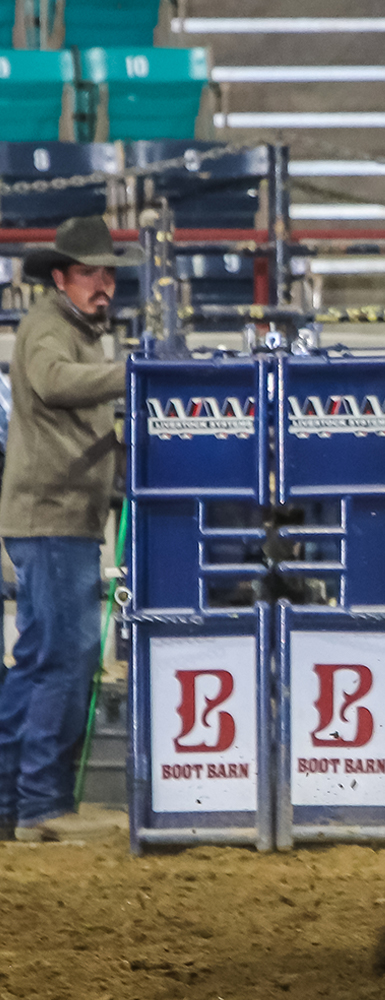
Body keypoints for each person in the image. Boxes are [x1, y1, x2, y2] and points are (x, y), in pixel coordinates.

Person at [0, 216, 137, 842]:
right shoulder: (51, 331)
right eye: (89, 273)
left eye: (107, 273)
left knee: (39, 660)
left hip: (56, 517)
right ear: (60, 278)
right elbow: (55, 385)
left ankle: (13, 803)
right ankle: (42, 806)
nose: (101, 283)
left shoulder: (73, 331)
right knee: (65, 660)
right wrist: (134, 375)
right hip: (53, 519)